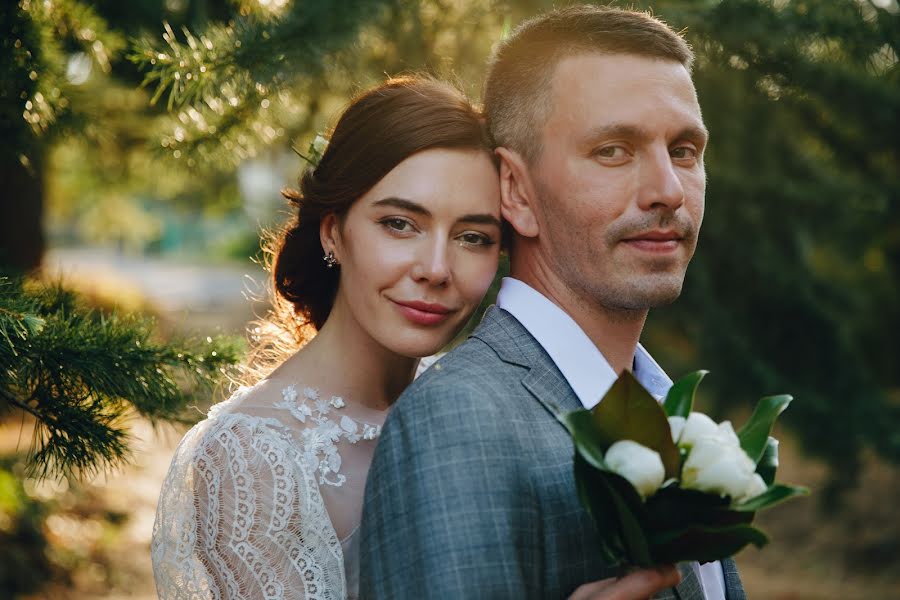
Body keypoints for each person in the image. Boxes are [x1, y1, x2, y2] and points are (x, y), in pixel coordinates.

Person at [360, 6, 745, 600]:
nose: (668, 189)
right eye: (614, 150)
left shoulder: (664, 405)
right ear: (515, 190)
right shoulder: (461, 420)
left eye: (685, 149)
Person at [150, 76, 503, 600]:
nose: (435, 268)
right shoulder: (251, 460)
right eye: (401, 224)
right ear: (333, 231)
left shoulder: (478, 405)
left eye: (473, 238)